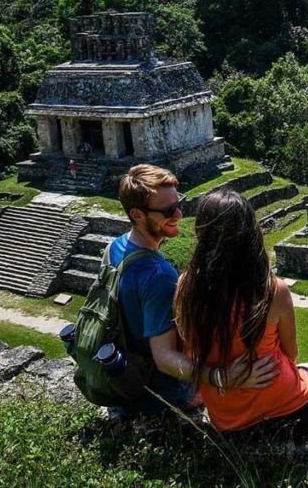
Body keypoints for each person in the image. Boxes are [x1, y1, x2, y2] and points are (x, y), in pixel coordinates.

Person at [111, 164, 277, 414]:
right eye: (168, 210)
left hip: (129, 378)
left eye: (179, 204)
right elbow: (164, 357)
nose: (178, 214)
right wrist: (222, 377)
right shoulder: (159, 276)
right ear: (137, 215)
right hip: (165, 394)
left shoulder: (116, 247)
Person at [174, 189, 308, 443]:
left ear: (201, 233)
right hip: (287, 409)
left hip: (228, 421)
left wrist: (225, 375)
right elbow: (291, 353)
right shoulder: (271, 289)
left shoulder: (186, 287)